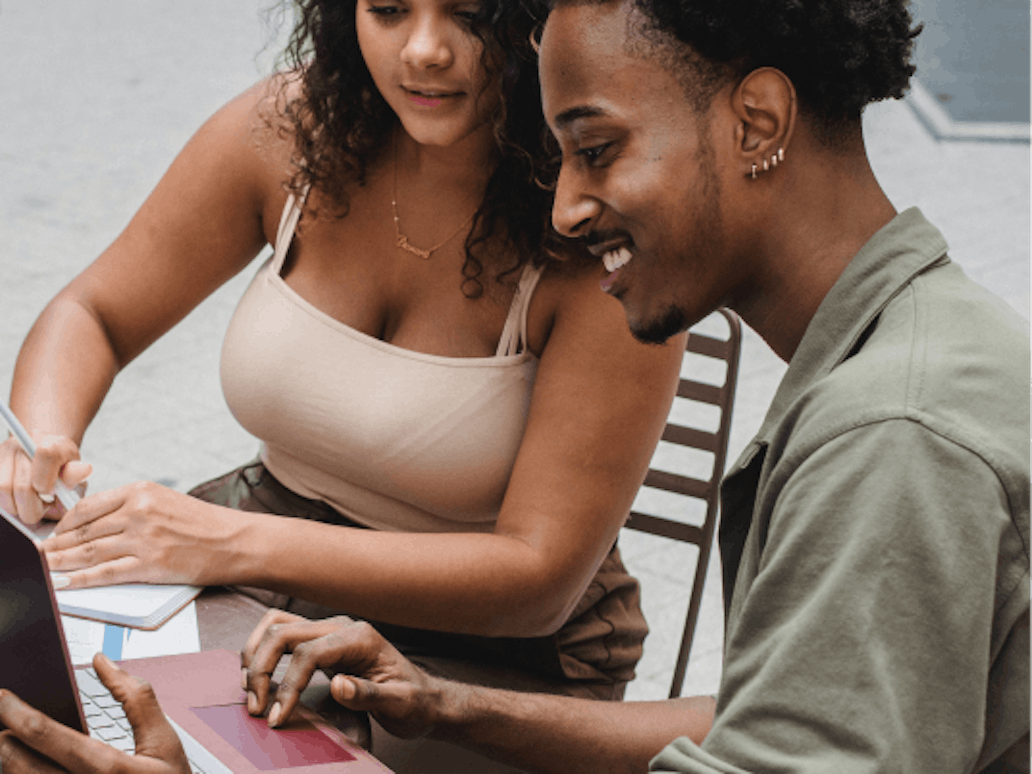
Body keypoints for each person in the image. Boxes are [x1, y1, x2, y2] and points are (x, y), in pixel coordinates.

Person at [2, 0, 1029, 771]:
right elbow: (773, 716)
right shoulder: (916, 355)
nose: (571, 207)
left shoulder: (894, 439)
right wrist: (444, 705)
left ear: (758, 123)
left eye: (596, 150)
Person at [0, 0, 685, 715]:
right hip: (258, 585)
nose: (423, 49)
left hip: (490, 653)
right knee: (41, 694)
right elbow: (93, 313)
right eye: (388, 9)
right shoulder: (296, 132)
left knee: (202, 746)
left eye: (470, 14)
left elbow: (537, 580)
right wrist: (42, 443)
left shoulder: (599, 228)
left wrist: (229, 542)